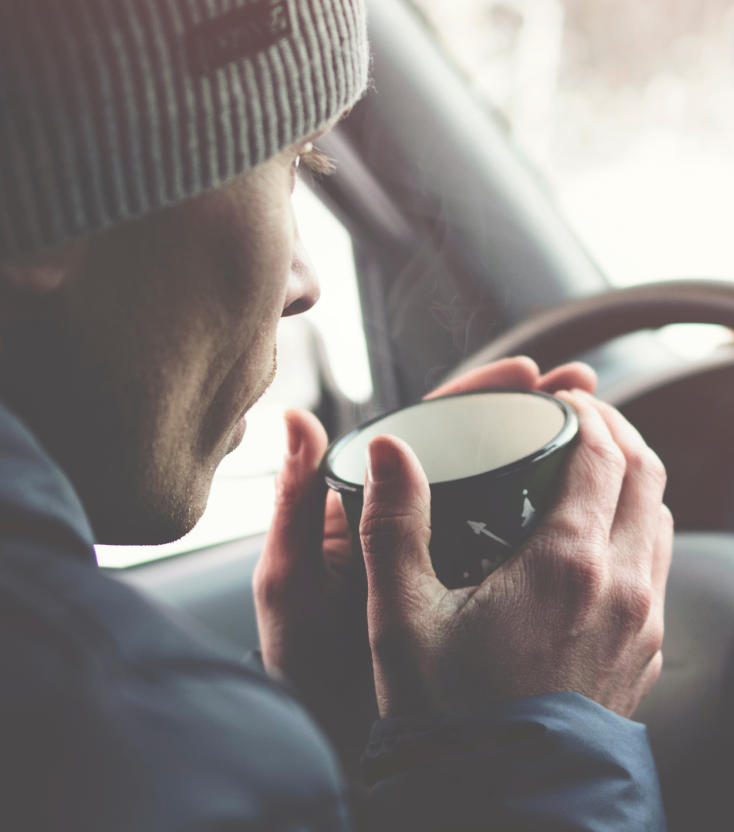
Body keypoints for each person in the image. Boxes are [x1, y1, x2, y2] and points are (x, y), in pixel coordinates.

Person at [0, 1, 671, 829]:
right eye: (288, 165)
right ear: (48, 188)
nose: (305, 280)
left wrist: (321, 732)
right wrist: (541, 758)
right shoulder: (102, 736)